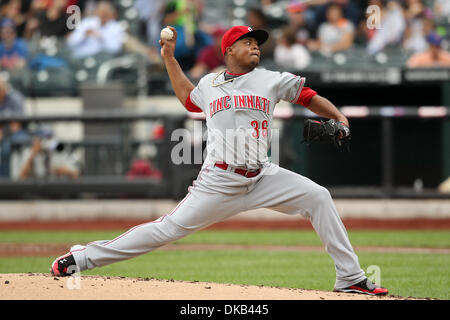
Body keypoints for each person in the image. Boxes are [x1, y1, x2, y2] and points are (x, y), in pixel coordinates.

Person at [50, 25, 389, 296]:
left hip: (263, 176)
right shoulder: (211, 82)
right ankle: (83, 258)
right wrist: (168, 56)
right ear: (229, 51)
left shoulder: (270, 79)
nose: (255, 45)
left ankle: (350, 277)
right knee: (165, 230)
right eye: (247, 42)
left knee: (318, 197)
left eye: (258, 42)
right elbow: (187, 98)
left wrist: (340, 119)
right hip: (219, 181)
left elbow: (309, 97)